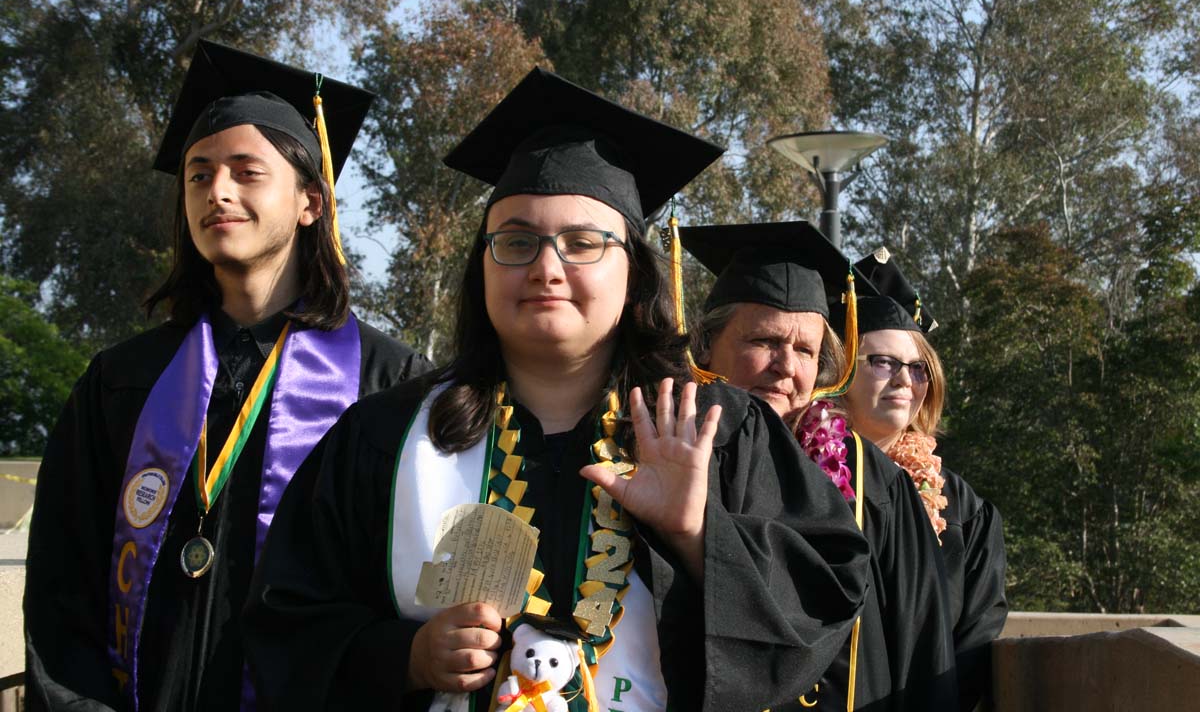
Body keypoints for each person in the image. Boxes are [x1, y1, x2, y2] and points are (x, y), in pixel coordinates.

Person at [242, 67, 872, 712]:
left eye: (583, 243)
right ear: (481, 265)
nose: (547, 268)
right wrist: (404, 657)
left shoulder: (715, 427)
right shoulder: (389, 433)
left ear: (634, 270)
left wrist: (698, 533)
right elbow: (286, 620)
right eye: (516, 242)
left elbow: (826, 596)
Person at [23, 40, 432, 712]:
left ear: (310, 202)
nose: (217, 191)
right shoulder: (123, 381)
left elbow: (404, 601)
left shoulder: (391, 382)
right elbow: (62, 590)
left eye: (247, 172)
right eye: (198, 174)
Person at [680, 220, 959, 711]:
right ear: (705, 347)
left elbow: (922, 653)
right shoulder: (663, 451)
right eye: (763, 341)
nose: (786, 366)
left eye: (806, 349)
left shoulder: (877, 484)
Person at [839, 248, 1007, 711]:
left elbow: (974, 640)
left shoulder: (961, 508)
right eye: (882, 362)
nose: (904, 382)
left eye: (918, 369)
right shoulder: (796, 470)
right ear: (839, 368)